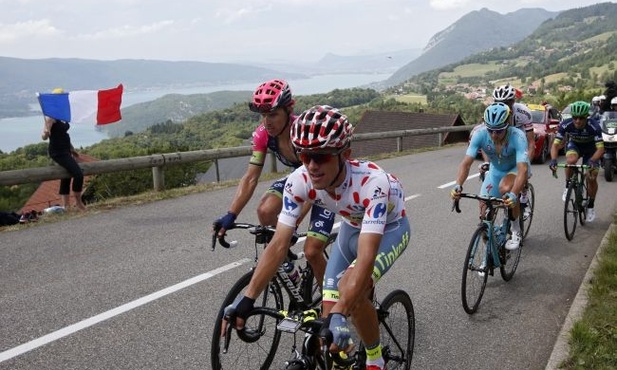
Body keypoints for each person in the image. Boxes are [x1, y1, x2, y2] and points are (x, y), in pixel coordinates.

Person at [221, 105, 410, 370]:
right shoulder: (299, 181)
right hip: (351, 226)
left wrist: (342, 311)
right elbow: (278, 244)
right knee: (326, 320)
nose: (311, 165)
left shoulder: (373, 184)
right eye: (305, 155)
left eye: (320, 157)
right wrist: (247, 298)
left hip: (390, 229)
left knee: (350, 293)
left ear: (345, 154)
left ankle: (375, 359)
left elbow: (367, 256)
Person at [213, 79, 334, 286]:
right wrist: (231, 214)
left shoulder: (302, 133)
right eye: (263, 115)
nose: (267, 122)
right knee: (265, 210)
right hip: (299, 176)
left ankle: (331, 303)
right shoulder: (263, 135)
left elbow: (312, 189)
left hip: (323, 184)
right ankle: (287, 264)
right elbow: (251, 177)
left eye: (273, 114)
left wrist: (291, 225)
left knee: (312, 251)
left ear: (289, 109)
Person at [451, 102, 529, 250]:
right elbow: (466, 163)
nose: (494, 135)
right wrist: (458, 185)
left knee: (505, 188)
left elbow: (523, 170)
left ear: (507, 123)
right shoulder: (480, 134)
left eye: (499, 131)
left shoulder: (518, 136)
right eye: (490, 130)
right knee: (483, 213)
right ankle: (489, 253)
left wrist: (513, 194)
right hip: (496, 170)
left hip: (515, 169)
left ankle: (515, 230)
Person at [549, 101, 604, 222]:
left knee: (591, 177)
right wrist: (553, 160)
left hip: (591, 150)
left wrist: (593, 161)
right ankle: (568, 185)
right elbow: (555, 145)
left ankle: (590, 206)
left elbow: (600, 148)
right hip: (575, 146)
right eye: (575, 118)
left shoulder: (594, 126)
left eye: (581, 118)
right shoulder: (566, 124)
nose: (578, 121)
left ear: (586, 117)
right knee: (570, 160)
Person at [40, 88, 86, 211]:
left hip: (65, 149)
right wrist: (45, 132)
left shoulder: (62, 114)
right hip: (57, 151)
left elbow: (64, 134)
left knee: (66, 176)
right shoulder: (51, 117)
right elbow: (44, 136)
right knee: (78, 174)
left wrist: (72, 149)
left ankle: (66, 206)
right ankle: (79, 202)